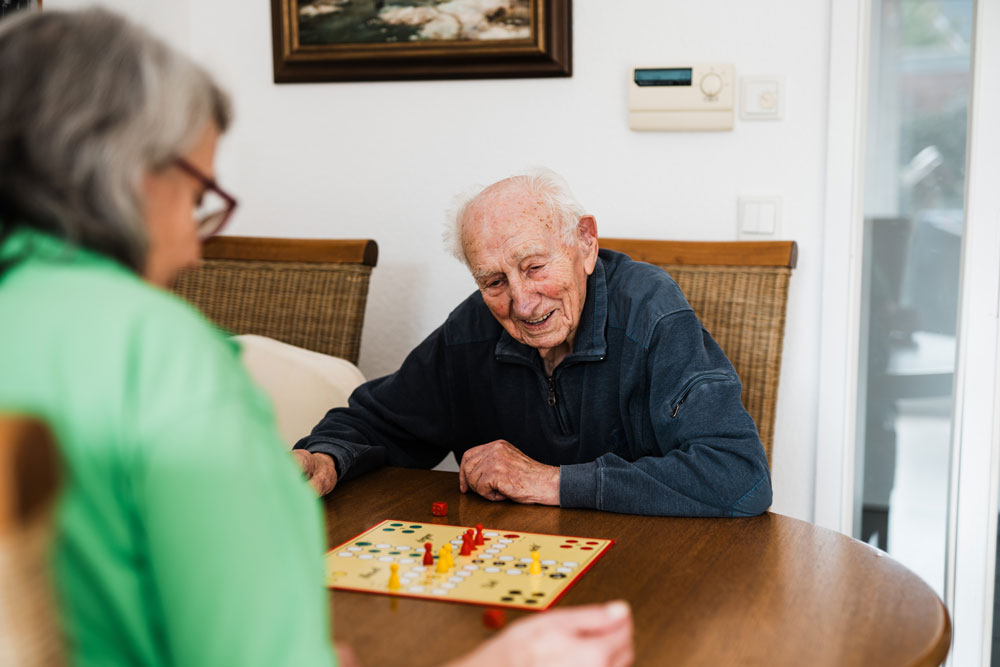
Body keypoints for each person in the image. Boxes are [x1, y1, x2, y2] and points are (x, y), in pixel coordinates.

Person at [0, 9, 633, 667]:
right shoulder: (167, 358)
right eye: (195, 197)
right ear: (133, 176)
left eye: (534, 267)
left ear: (585, 245)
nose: (196, 246)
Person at [294, 169, 773, 517]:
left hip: (647, 577)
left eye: (534, 267)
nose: (522, 303)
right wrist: (326, 456)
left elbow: (738, 474)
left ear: (585, 243)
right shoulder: (472, 329)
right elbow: (380, 422)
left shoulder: (651, 311)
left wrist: (550, 481)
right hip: (519, 579)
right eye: (494, 281)